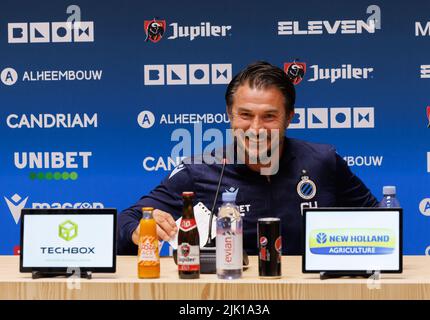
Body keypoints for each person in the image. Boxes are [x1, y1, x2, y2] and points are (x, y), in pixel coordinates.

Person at [118, 61, 378, 255]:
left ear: (289, 117)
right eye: (245, 115)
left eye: (269, 116)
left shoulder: (323, 161)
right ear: (230, 115)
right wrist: (140, 229)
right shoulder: (198, 170)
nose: (256, 129)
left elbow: (380, 221)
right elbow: (127, 220)